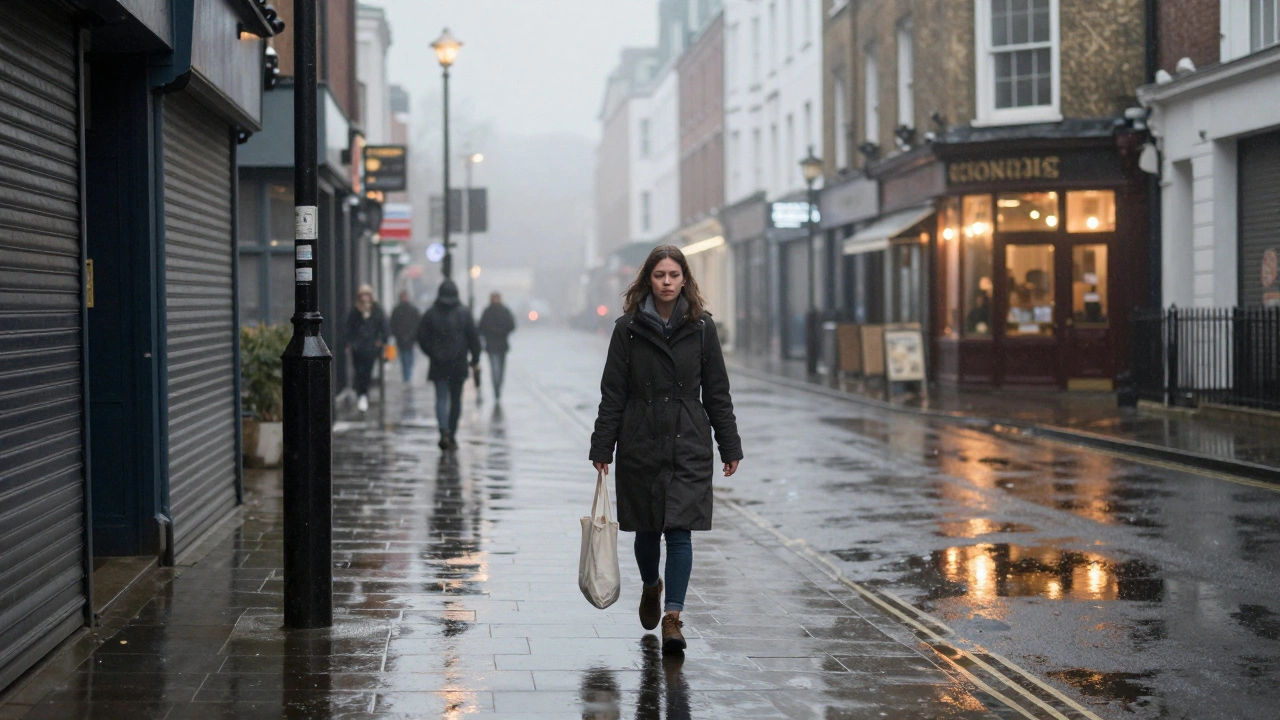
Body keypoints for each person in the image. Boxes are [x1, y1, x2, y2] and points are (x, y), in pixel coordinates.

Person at [589, 245, 743, 655]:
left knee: (679, 531)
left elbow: (717, 392)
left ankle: (673, 617)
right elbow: (613, 393)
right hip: (640, 439)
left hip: (687, 439)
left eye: (674, 275)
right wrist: (603, 445)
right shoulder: (627, 329)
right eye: (660, 275)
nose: (667, 282)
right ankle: (651, 584)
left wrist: (729, 444)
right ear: (649, 280)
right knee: (646, 531)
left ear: (684, 279)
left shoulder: (703, 328)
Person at [416, 279, 481, 450]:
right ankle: (451, 433)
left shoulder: (431, 313)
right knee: (455, 401)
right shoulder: (464, 313)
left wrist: (432, 352)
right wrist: (475, 359)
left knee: (441, 399)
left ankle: (443, 429)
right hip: (458, 363)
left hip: (439, 364)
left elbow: (421, 337)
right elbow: (474, 338)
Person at [345, 284, 388, 413]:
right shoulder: (355, 310)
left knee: (367, 371)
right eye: (363, 295)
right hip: (358, 348)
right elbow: (349, 328)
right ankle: (361, 393)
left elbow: (383, 326)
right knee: (359, 371)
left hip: (371, 347)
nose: (365, 298)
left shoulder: (376, 310)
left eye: (367, 295)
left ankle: (363, 393)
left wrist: (381, 341)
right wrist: (351, 342)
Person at [477, 292, 517, 400]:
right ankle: (496, 388)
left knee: (500, 369)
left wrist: (500, 332)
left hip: (500, 345)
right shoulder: (489, 311)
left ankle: (498, 387)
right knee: (495, 368)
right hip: (493, 345)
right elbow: (481, 327)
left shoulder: (503, 311)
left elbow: (511, 325)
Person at [389, 290, 422, 385]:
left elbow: (417, 324)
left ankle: (407, 378)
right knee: (404, 359)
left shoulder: (410, 310)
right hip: (403, 339)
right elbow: (393, 325)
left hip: (408, 339)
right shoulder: (399, 310)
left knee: (408, 359)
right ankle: (407, 378)